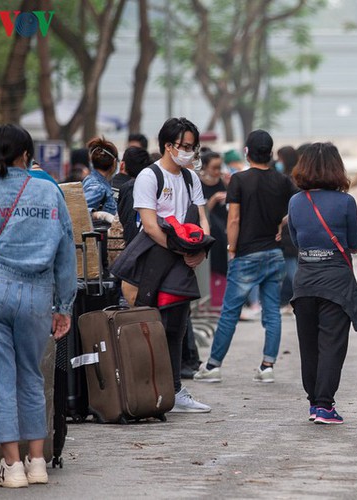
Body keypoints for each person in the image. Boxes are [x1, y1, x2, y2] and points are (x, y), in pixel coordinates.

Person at [0, 124, 76, 488]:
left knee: (0, 378)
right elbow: (66, 250)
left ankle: (12, 467)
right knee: (32, 376)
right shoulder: (49, 191)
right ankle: (37, 461)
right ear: (26, 154)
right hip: (38, 294)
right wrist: (64, 305)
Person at [195, 130, 298, 384]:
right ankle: (267, 366)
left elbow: (234, 218)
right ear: (271, 153)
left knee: (229, 311)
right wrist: (280, 226)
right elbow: (296, 208)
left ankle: (213, 365)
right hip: (274, 254)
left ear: (247, 152)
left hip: (246, 254)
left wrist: (231, 247)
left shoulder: (240, 180)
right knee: (272, 312)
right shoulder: (283, 181)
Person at [131, 117, 211, 412]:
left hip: (183, 258)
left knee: (177, 324)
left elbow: (201, 219)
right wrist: (181, 250)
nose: (189, 152)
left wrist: (199, 249)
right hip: (155, 259)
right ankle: (151, 390)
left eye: (192, 147)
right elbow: (150, 226)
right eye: (184, 147)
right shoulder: (149, 177)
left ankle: (174, 390)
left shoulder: (191, 178)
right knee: (154, 326)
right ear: (168, 145)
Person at [288, 142, 357, 424]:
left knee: (308, 345)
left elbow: (297, 241)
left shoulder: (296, 202)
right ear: (337, 167)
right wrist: (356, 247)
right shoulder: (345, 202)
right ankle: (325, 406)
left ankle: (313, 404)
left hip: (305, 281)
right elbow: (354, 242)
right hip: (335, 282)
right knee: (331, 344)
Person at [199, 152, 229, 308]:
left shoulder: (224, 182)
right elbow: (202, 213)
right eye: (214, 168)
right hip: (209, 232)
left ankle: (220, 301)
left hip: (224, 232)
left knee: (223, 266)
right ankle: (210, 302)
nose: (217, 171)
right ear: (205, 167)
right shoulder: (199, 184)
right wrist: (213, 200)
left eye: (219, 167)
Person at [277, 146, 300, 313]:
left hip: (288, 231)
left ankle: (291, 300)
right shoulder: (293, 178)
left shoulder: (288, 180)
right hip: (289, 232)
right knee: (290, 270)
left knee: (292, 272)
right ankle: (288, 300)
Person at [115, 147, 151, 245]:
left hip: (133, 245)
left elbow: (126, 219)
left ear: (123, 165)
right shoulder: (151, 184)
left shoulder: (128, 188)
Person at [82, 137, 118, 223]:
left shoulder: (92, 180)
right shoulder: (97, 187)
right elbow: (79, 213)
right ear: (114, 162)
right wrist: (100, 215)